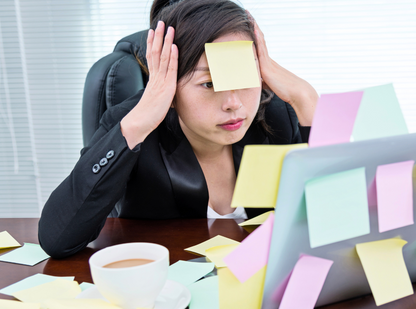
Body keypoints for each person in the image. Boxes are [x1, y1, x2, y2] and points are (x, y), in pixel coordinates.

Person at [38, 0, 318, 258]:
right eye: (209, 84)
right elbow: (57, 239)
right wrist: (136, 125)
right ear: (170, 84)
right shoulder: (133, 122)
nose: (234, 104)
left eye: (244, 76)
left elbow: (331, 218)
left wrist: (307, 102)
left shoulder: (273, 114)